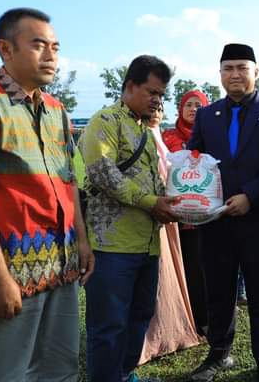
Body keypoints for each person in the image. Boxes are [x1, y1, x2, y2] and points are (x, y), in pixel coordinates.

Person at [0, 7, 94, 381]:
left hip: (62, 267)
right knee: (0, 373)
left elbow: (68, 183)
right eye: (38, 45)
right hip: (11, 270)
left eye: (55, 46)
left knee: (59, 369)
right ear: (5, 49)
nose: (51, 55)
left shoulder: (57, 111)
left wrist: (82, 241)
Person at [187, 43, 259, 382]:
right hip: (215, 221)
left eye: (242, 67)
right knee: (218, 291)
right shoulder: (207, 115)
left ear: (256, 72)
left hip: (257, 220)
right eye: (228, 68)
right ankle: (219, 354)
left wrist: (250, 195)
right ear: (220, 74)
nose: (235, 74)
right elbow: (195, 158)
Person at [80, 55, 180, 382]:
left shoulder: (145, 130)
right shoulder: (105, 121)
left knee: (139, 317)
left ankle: (123, 374)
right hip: (111, 245)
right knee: (108, 325)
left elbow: (157, 180)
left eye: (162, 94)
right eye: (151, 92)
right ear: (129, 87)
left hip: (148, 244)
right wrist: (153, 202)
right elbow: (104, 175)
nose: (157, 100)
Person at [140, 104, 202, 364]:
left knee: (170, 273)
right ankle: (153, 336)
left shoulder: (158, 136)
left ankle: (172, 329)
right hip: (151, 213)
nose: (155, 111)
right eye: (151, 105)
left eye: (160, 106)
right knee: (157, 275)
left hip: (169, 216)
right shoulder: (140, 135)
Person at [162, 89, 212, 334]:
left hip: (208, 216)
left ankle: (205, 319)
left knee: (207, 269)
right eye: (189, 104)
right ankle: (186, 318)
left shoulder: (212, 136)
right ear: (180, 109)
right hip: (177, 218)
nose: (194, 109)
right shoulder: (167, 137)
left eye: (199, 105)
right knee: (187, 267)